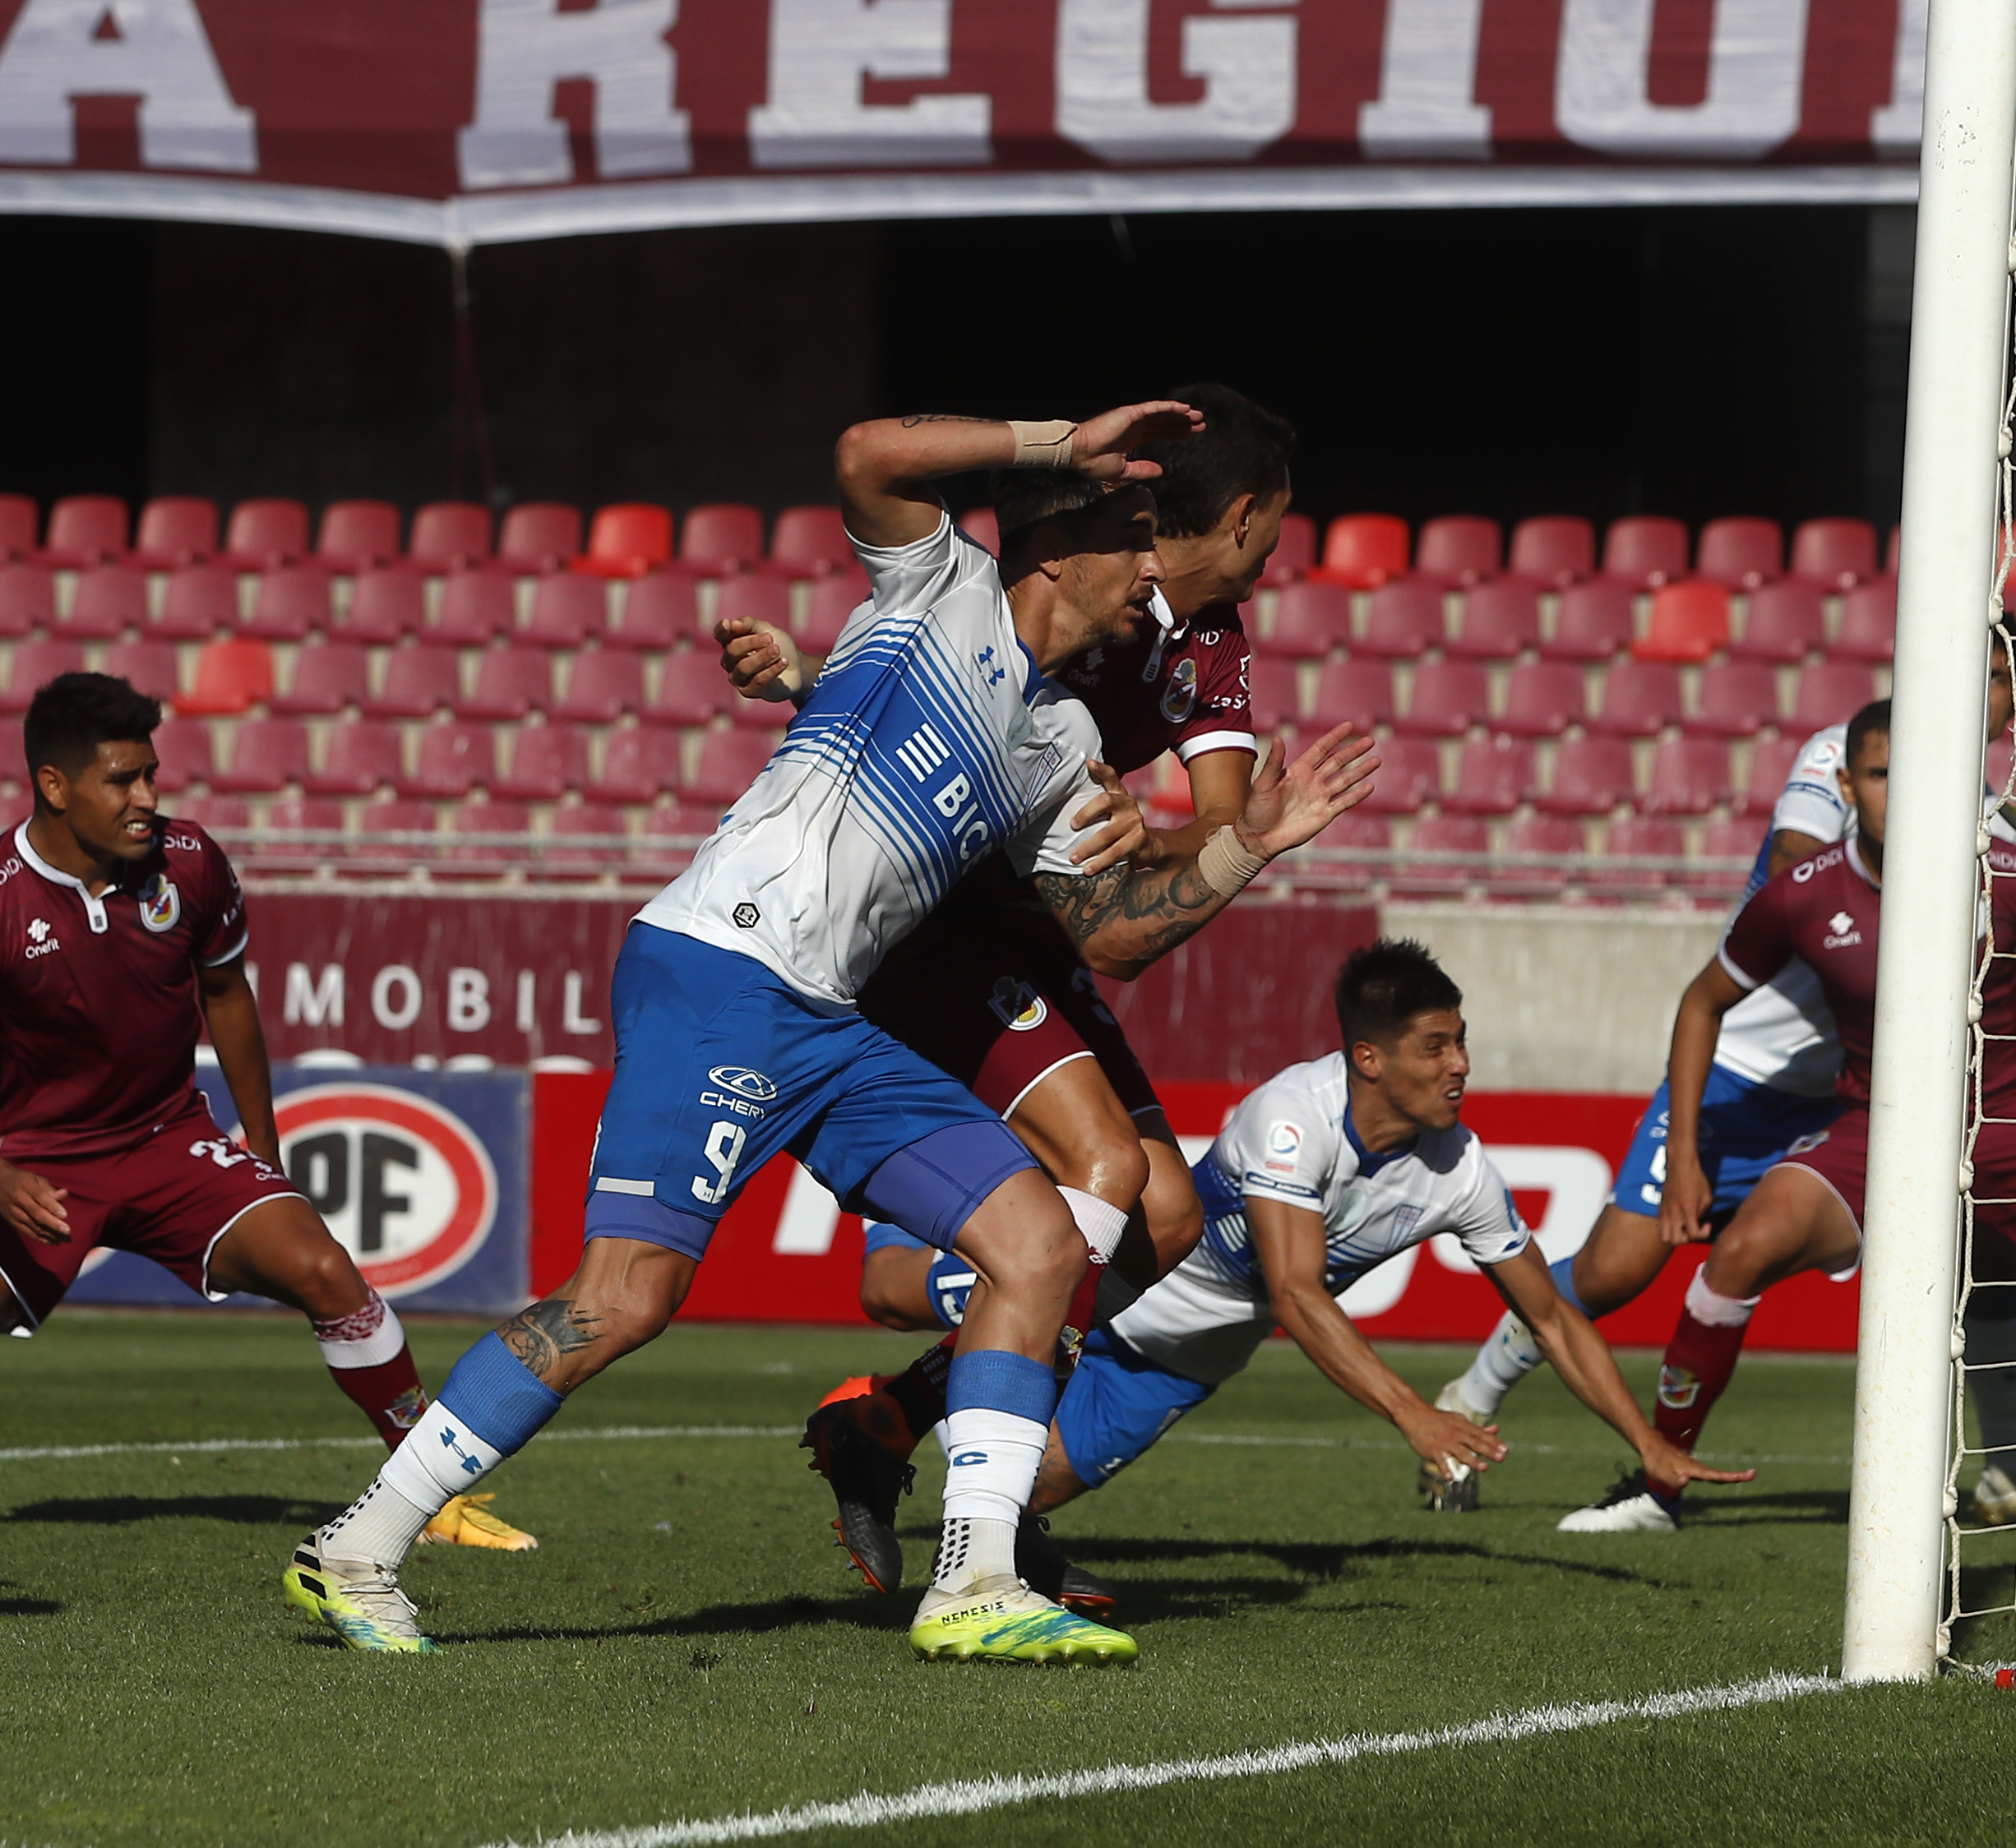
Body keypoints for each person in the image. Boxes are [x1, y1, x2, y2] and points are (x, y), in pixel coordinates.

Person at [285, 404, 1377, 1661]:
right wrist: (1053, 440)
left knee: (1036, 1236)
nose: (1151, 570)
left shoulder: (1067, 739)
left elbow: (1113, 932)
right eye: (1129, 542)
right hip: (720, 968)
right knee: (627, 1296)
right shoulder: (938, 584)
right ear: (1054, 546)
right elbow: (865, 452)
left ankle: (974, 1579)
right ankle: (359, 1544)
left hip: (831, 1015)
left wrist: (1247, 842)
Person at [716, 386, 1298, 1601]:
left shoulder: (1211, 641)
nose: (1275, 556)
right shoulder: (1075, 566)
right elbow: (957, 698)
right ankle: (992, 1522)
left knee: (1169, 1220)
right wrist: (813, 674)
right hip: (939, 930)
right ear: (1239, 514)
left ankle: (901, 1422)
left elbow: (1224, 825)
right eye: (1275, 527)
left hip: (1039, 929)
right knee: (1088, 1188)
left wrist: (1166, 836)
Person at [1436, 621, 2016, 1533]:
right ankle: (1470, 1398)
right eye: (1968, 672)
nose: (1983, 695)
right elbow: (1797, 865)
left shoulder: (2013, 812)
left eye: (1999, 679)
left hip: (1867, 1090)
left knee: (1983, 1249)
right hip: (1746, 1074)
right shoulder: (1845, 757)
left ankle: (2007, 1470)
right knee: (1617, 1268)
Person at [1554, 698, 2016, 1535]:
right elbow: (1702, 1001)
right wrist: (1687, 1148)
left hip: (2007, 1114)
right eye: (1879, 774)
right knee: (1738, 1249)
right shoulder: (1802, 896)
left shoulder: (2009, 868)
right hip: (1875, 1124)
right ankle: (1657, 1484)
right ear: (1846, 784)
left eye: (1915, 774)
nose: (1900, 792)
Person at [1, 673, 531, 1551]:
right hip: (36, 1162)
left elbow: (226, 992)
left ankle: (428, 1492)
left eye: (151, 774)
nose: (147, 798)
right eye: (121, 780)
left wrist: (262, 1138)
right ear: (55, 787)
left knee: (329, 1272)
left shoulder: (191, 862)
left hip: (168, 1142)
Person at [1034, 940, 1750, 1531]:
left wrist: (1646, 1442)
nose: (1460, 1064)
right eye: (1436, 1047)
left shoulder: (1462, 1171)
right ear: (1370, 1057)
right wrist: (1415, 1415)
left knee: (1032, 1489)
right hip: (1111, 1279)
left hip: (1186, 1357)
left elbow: (1553, 1316)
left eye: (1461, 1042)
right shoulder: (1294, 1115)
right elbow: (1294, 1291)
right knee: (921, 1307)